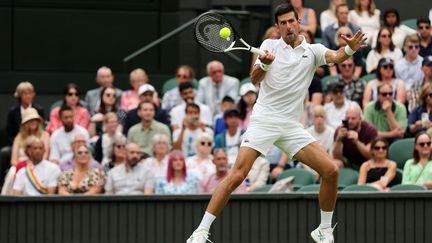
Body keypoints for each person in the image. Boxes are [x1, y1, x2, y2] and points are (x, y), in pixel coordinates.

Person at [186, 3, 368, 243]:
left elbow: (335, 57)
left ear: (298, 20)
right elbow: (254, 78)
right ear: (277, 26)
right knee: (238, 174)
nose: (288, 26)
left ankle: (324, 229)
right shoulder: (268, 46)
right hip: (264, 120)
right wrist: (264, 64)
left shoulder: (313, 51)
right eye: (282, 23)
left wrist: (350, 50)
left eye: (291, 21)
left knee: (331, 170)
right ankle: (201, 231)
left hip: (291, 126)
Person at [6, 81, 44, 146]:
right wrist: (17, 145)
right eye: (25, 94)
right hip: (17, 144)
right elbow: (9, 134)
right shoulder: (13, 112)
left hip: (36, 145)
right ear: (19, 95)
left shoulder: (39, 110)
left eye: (30, 93)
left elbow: (41, 130)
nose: (28, 96)